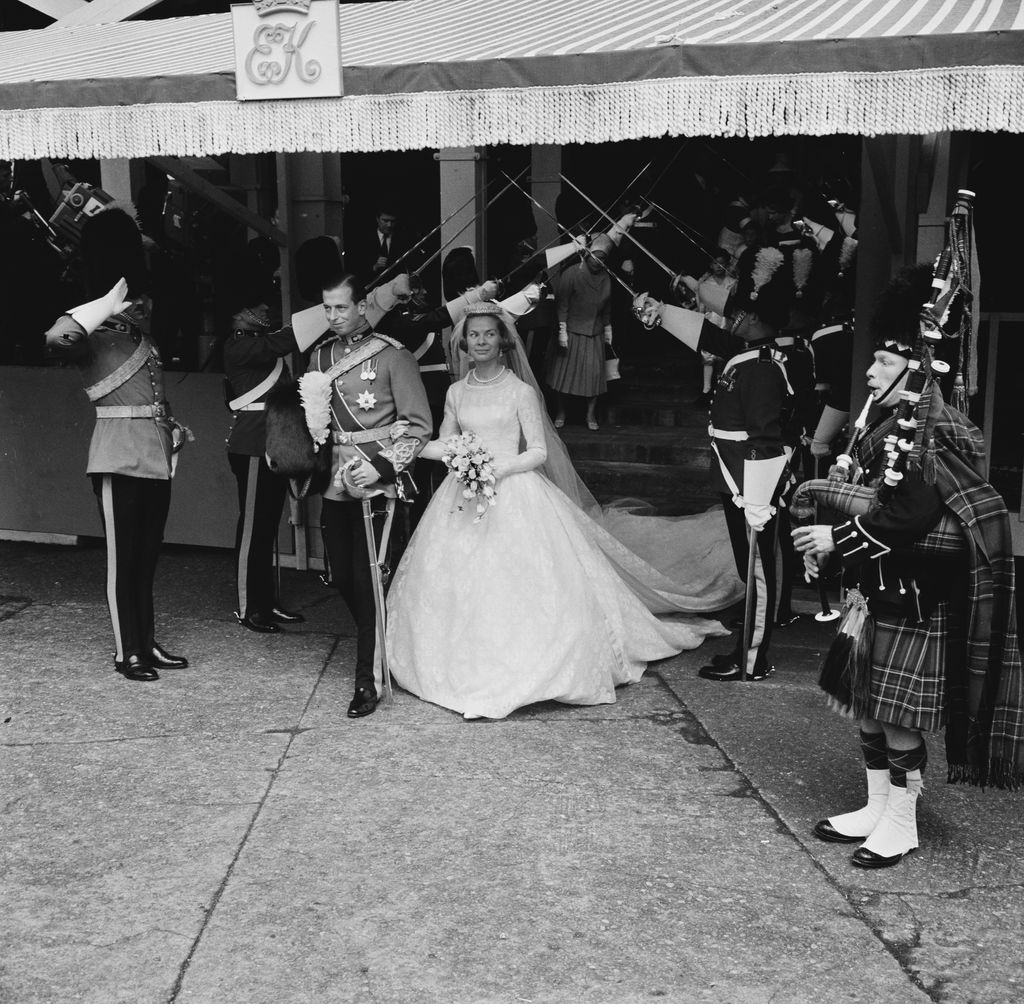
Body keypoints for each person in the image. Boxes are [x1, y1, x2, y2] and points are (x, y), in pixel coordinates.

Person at [385, 302, 730, 720]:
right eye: (473, 335)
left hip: (513, 491)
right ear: (463, 341)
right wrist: (433, 450)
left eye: (488, 334)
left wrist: (493, 466)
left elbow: (537, 451)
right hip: (464, 493)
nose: (479, 342)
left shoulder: (520, 391)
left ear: (503, 341)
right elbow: (444, 440)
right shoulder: (457, 392)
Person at [792, 264, 1023, 868]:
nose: (870, 372)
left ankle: (902, 821)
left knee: (895, 717)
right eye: (874, 363)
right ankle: (874, 807)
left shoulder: (933, 431)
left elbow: (911, 516)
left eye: (885, 364)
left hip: (912, 593)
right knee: (867, 706)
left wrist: (837, 536)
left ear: (919, 368)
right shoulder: (892, 424)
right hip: (877, 591)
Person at [636, 244, 797, 682]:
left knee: (758, 574)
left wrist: (759, 498)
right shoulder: (748, 356)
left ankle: (753, 659)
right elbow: (714, 338)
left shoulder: (761, 366)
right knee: (751, 570)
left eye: (744, 315)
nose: (736, 319)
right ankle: (747, 646)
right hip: (738, 481)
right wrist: (663, 311)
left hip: (751, 485)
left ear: (760, 320)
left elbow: (765, 439)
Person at [44, 205, 190, 682]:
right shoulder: (91, 329)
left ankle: (145, 643)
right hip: (115, 454)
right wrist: (103, 303)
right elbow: (58, 338)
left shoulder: (132, 331)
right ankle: (127, 650)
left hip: (152, 453)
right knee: (121, 561)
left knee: (146, 558)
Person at [304, 272, 432, 718]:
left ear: (363, 306)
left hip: (378, 483)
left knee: (368, 580)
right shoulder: (320, 356)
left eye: (341, 307)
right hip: (335, 483)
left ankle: (368, 679)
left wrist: (379, 466)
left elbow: (418, 427)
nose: (334, 316)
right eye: (327, 308)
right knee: (340, 576)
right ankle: (383, 638)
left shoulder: (394, 356)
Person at [222, 261, 305, 634]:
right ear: (239, 314)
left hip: (273, 444)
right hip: (253, 446)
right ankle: (248, 605)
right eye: (257, 307)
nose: (265, 311)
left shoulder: (258, 346)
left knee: (267, 530)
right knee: (254, 531)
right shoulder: (240, 348)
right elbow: (284, 340)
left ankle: (267, 602)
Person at [547, 233, 616, 431]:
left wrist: (608, 327)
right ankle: (561, 412)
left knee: (594, 376)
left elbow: (607, 307)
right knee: (564, 375)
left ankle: (590, 414)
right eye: (595, 256)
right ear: (587, 254)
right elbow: (562, 304)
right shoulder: (571, 273)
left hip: (594, 332)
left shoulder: (606, 279)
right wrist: (562, 329)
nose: (598, 261)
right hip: (572, 331)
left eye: (602, 258)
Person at [345, 204, 408, 285]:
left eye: (392, 221)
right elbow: (354, 266)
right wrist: (373, 267)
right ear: (377, 219)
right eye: (385, 221)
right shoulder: (363, 239)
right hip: (369, 286)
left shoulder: (402, 239)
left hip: (394, 287)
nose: (389, 225)